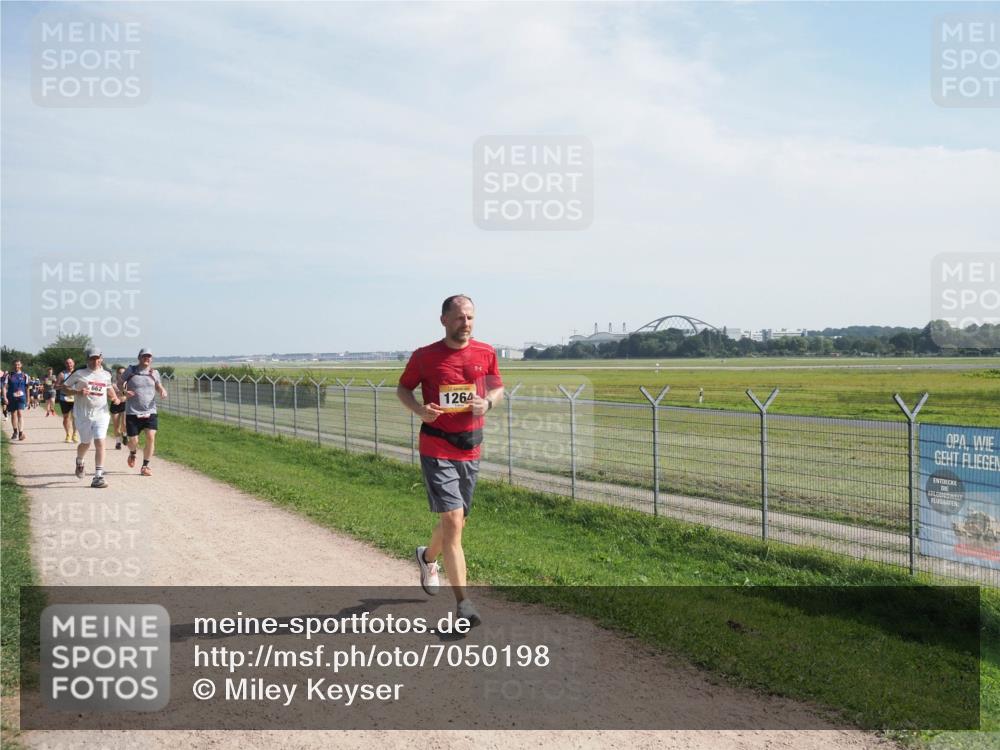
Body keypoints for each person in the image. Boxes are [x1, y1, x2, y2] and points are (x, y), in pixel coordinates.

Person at [396, 295, 503, 627]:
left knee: (457, 522)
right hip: (436, 446)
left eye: (470, 317)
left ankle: (427, 557)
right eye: (459, 318)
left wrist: (488, 402)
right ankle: (464, 604)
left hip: (470, 448)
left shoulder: (485, 352)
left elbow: (497, 387)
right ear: (444, 320)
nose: (466, 323)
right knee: (453, 522)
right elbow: (403, 388)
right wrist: (419, 410)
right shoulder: (425, 356)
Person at [63, 348, 121, 488]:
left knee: (100, 442)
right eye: (92, 358)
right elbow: (64, 387)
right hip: (83, 415)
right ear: (87, 359)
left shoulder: (106, 374)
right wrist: (77, 391)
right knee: (85, 443)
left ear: (101, 358)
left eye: (97, 358)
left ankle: (98, 476)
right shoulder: (79, 373)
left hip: (101, 414)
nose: (95, 361)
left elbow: (108, 388)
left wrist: (115, 398)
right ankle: (80, 461)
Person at [122, 348, 167, 476]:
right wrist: (124, 392)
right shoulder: (131, 370)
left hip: (150, 411)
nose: (147, 358)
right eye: (144, 356)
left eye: (149, 357)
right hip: (132, 412)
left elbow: (158, 385)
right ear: (139, 357)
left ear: (151, 359)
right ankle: (132, 452)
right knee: (133, 441)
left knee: (151, 437)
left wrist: (162, 391)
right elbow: (119, 383)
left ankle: (145, 466)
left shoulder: (154, 372)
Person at [4, 360, 30, 440]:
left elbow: (27, 388)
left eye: (18, 365)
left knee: (20, 413)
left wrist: (28, 400)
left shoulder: (25, 375)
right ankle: (15, 431)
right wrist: (5, 397)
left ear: (21, 365)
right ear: (13, 365)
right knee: (13, 414)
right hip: (11, 397)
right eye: (15, 365)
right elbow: (4, 387)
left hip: (21, 398)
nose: (17, 366)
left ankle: (21, 433)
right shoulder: (9, 375)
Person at [55, 357, 78, 442]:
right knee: (66, 417)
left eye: (70, 363)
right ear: (65, 364)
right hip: (64, 398)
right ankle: (68, 434)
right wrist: (63, 386)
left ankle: (75, 434)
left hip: (75, 398)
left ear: (73, 364)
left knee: (75, 417)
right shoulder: (62, 374)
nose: (69, 365)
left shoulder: (78, 373)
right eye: (67, 363)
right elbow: (55, 387)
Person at [110, 366, 127, 449]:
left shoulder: (128, 383)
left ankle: (124, 434)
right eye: (120, 373)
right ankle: (118, 442)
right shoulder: (113, 384)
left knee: (124, 424)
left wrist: (125, 394)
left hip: (125, 404)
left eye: (123, 373)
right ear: (117, 374)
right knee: (116, 425)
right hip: (115, 405)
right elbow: (111, 394)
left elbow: (129, 394)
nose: (121, 375)